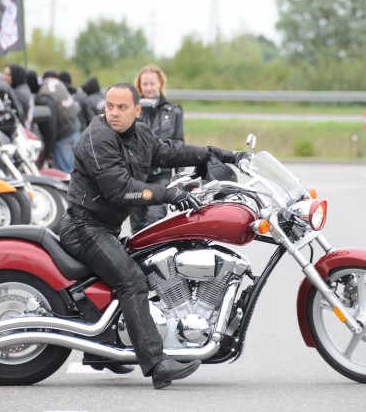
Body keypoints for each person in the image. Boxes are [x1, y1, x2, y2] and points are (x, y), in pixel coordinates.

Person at [59, 82, 249, 389]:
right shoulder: (98, 138)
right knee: (131, 280)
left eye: (122, 107)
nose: (114, 113)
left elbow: (171, 151)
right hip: (85, 228)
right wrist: (169, 194)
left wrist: (223, 156)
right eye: (110, 106)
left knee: (149, 268)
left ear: (137, 110)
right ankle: (157, 364)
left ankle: (106, 352)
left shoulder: (141, 134)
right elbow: (119, 188)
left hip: (103, 227)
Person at [129, 65, 184, 234]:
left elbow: (179, 144)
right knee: (137, 227)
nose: (149, 87)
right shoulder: (131, 110)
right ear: (139, 86)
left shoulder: (174, 111)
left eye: (152, 83)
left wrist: (181, 176)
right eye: (145, 84)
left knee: (155, 219)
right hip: (136, 176)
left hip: (161, 175)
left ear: (160, 84)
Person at [36, 70, 81, 172]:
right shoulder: (56, 84)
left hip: (65, 135)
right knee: (72, 169)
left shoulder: (44, 95)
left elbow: (50, 126)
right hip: (74, 127)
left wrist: (49, 152)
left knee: (63, 173)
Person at [4, 63, 34, 129]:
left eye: (9, 75)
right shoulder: (22, 88)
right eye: (5, 74)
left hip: (22, 130)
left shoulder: (19, 94)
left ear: (16, 75)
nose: (5, 77)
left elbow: (18, 115)